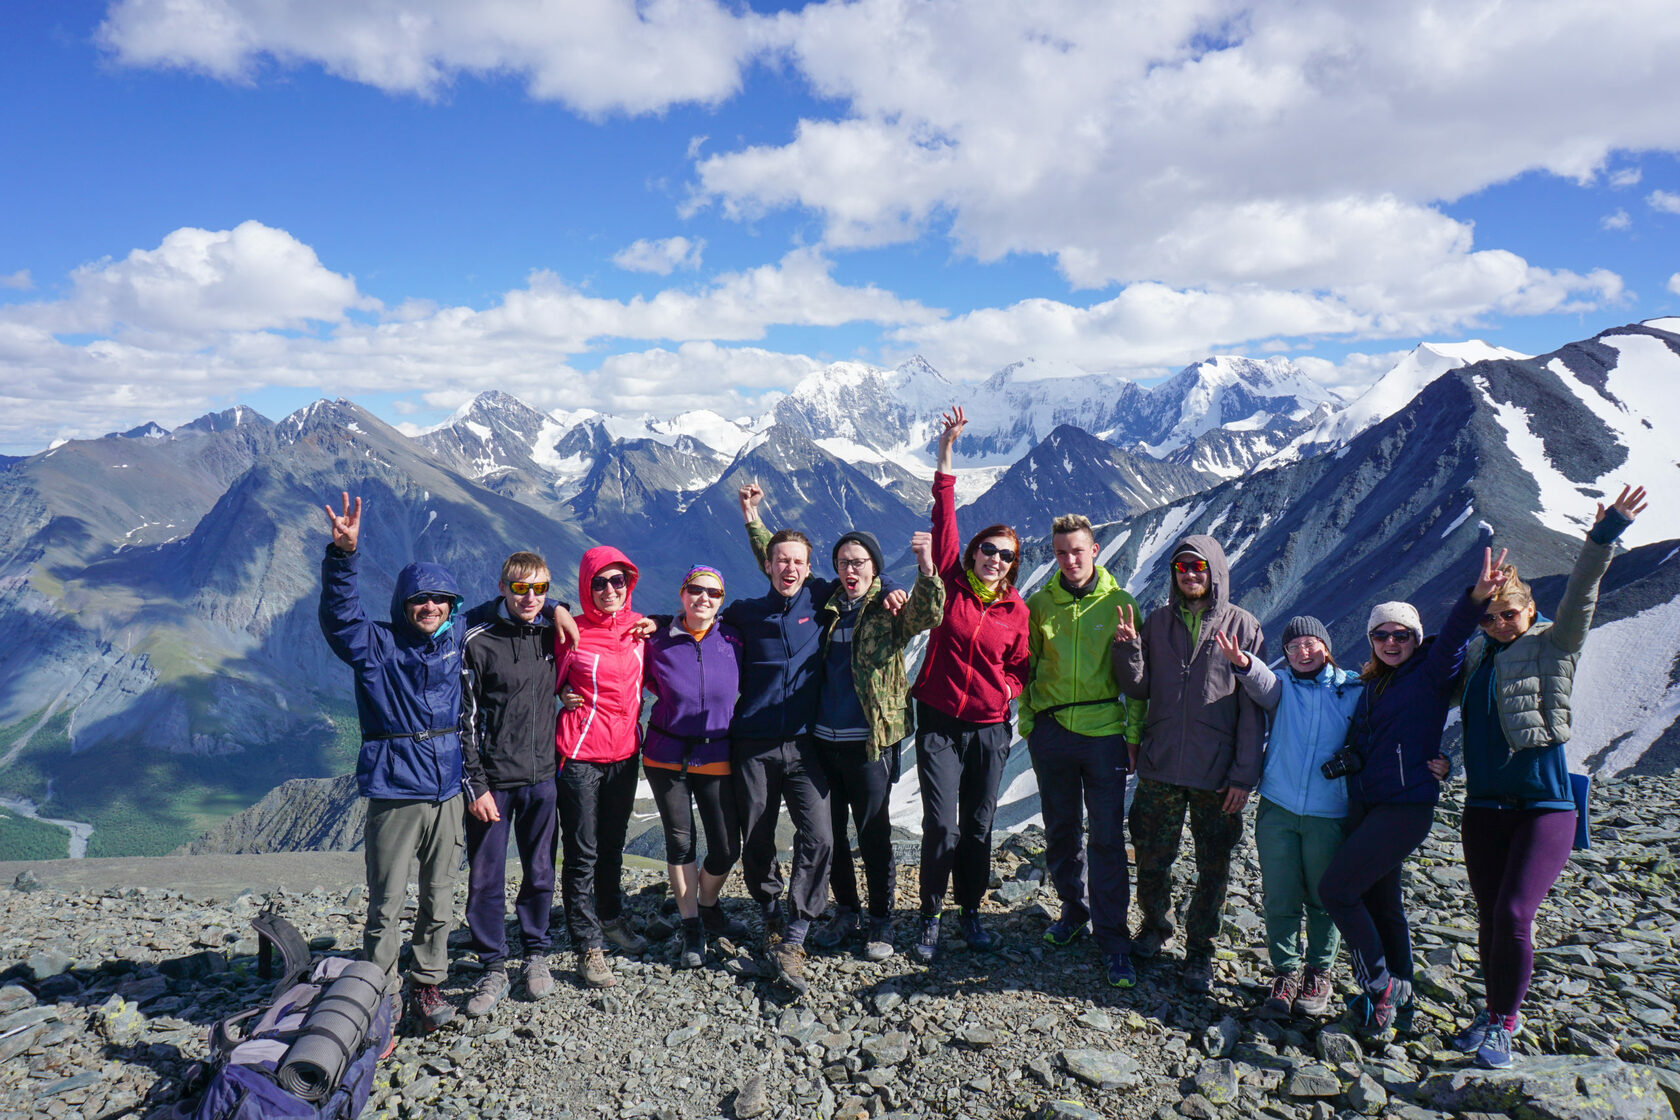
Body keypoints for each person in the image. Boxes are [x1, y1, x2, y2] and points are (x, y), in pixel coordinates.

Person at [1451, 485, 1648, 1070]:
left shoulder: (1555, 645)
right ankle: (1490, 1015)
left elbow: (1584, 593)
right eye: (1490, 617)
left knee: (1514, 914)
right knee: (1489, 917)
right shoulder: (1479, 654)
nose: (1499, 623)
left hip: (1545, 806)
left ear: (1530, 610)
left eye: (1508, 613)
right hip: (1484, 805)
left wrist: (1602, 536)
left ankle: (1506, 1025)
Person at [1315, 547, 1505, 1039]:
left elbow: (1456, 640)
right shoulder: (1375, 682)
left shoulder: (1429, 671)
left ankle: (1378, 985)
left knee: (1336, 890)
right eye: (1382, 634)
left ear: (1416, 638)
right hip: (1367, 801)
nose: (1392, 641)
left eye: (1402, 635)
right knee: (1383, 903)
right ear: (1371, 640)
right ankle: (1401, 999)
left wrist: (1475, 599)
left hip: (1405, 806)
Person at [727, 483, 906, 993]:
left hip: (806, 746)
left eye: (798, 562)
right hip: (755, 744)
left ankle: (799, 925)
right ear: (768, 564)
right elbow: (698, 625)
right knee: (757, 836)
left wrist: (892, 579)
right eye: (779, 561)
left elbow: (864, 577)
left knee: (822, 835)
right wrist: (651, 626)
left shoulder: (821, 595)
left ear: (809, 568)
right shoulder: (743, 611)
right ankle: (769, 909)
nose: (788, 568)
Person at [316, 492, 463, 1034]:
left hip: (447, 791)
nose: (430, 607)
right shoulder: (374, 644)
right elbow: (339, 616)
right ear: (404, 604)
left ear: (451, 604)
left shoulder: (456, 645)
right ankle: (381, 992)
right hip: (396, 789)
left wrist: (560, 609)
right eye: (420, 599)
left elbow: (511, 615)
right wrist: (342, 557)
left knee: (439, 895)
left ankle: (427, 984)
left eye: (440, 599)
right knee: (386, 903)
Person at [1114, 534, 1263, 994]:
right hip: (1161, 765)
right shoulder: (1157, 622)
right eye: (1182, 568)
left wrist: (1243, 775)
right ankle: (1156, 927)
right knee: (1153, 857)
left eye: (1198, 567)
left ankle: (1200, 951)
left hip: (1215, 775)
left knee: (1213, 865)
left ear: (1214, 570)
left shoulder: (1243, 626)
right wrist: (1129, 650)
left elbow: (1252, 710)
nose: (1191, 575)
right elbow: (1139, 689)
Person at [910, 405, 1030, 962]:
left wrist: (1006, 692)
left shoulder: (1016, 611)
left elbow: (1022, 667)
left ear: (1012, 566)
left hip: (988, 727)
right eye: (988, 550)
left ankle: (971, 911)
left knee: (979, 825)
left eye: (1005, 557)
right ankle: (930, 913)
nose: (994, 560)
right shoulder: (952, 580)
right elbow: (945, 516)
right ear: (975, 551)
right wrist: (946, 453)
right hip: (937, 719)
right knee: (942, 823)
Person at [798, 524, 944, 962]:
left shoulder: (888, 610)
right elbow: (781, 562)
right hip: (824, 742)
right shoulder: (826, 608)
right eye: (843, 562)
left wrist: (924, 567)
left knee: (873, 833)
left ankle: (881, 918)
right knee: (833, 837)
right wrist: (752, 518)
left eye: (858, 562)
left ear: (874, 567)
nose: (849, 569)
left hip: (871, 743)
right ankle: (847, 911)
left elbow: (929, 614)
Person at [1020, 513, 1147, 989]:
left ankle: (1114, 939)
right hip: (1052, 733)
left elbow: (1136, 683)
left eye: (1078, 550)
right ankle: (1074, 911)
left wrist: (1133, 736)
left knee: (1109, 838)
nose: (1070, 560)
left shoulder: (1119, 603)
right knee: (1061, 830)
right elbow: (1028, 668)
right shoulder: (1040, 605)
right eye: (1061, 552)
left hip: (1103, 733)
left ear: (1095, 549)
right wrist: (1030, 724)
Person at [1215, 616, 1361, 1018]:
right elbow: (1259, 679)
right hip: (1278, 807)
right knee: (1280, 895)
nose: (1302, 652)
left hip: (1328, 812)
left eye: (1310, 644)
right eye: (1293, 647)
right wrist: (1242, 662)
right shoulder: (1283, 690)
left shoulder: (1352, 690)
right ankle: (1285, 973)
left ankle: (1319, 970)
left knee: (1322, 896)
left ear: (1326, 646)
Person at [459, 552, 568, 1018]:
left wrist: (558, 607)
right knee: (485, 878)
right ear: (501, 587)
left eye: (540, 589)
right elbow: (461, 719)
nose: (531, 597)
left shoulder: (551, 630)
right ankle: (493, 964)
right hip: (494, 782)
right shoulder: (477, 641)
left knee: (540, 870)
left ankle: (536, 952)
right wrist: (475, 785)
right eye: (520, 588)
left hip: (544, 775)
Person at [641, 565, 748, 969]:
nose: (704, 598)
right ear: (682, 593)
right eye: (696, 590)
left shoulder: (734, 639)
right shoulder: (656, 640)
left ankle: (707, 903)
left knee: (725, 846)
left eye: (713, 593)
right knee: (680, 842)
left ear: (722, 601)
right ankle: (692, 927)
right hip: (665, 754)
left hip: (717, 750)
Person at [555, 546, 650, 990]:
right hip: (579, 755)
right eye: (600, 582)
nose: (610, 590)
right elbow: (541, 681)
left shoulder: (639, 628)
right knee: (582, 852)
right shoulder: (569, 632)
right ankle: (587, 943)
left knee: (612, 844)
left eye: (618, 581)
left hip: (625, 754)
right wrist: (560, 698)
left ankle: (611, 917)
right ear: (585, 586)